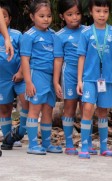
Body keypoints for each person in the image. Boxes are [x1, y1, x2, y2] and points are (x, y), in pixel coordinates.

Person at [76, 0, 112, 159]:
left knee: (103, 111)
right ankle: (84, 146)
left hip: (107, 80)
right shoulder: (86, 33)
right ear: (91, 12)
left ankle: (104, 147)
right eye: (98, 11)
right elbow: (81, 57)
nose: (102, 15)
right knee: (88, 109)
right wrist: (79, 80)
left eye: (105, 11)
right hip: (89, 79)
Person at [21, 0, 62, 155]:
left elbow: (58, 59)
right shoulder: (29, 36)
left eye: (49, 16)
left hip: (50, 78)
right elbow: (25, 60)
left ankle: (46, 143)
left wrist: (56, 81)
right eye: (41, 16)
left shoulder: (54, 35)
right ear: (32, 17)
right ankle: (32, 144)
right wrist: (28, 82)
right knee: (35, 108)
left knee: (48, 110)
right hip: (36, 75)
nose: (46, 19)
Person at [54, 0, 90, 156]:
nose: (74, 17)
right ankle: (69, 143)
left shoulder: (88, 31)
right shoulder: (59, 36)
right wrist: (56, 81)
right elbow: (58, 60)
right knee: (69, 107)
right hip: (69, 75)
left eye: (77, 14)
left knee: (86, 109)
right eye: (69, 14)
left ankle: (86, 143)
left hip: (88, 76)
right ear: (62, 16)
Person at [0, 2, 29, 150]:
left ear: (9, 19)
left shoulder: (17, 35)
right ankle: (8, 138)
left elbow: (25, 55)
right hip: (2, 80)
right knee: (5, 109)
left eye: (4, 16)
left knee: (26, 102)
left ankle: (20, 132)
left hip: (19, 77)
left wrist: (21, 73)